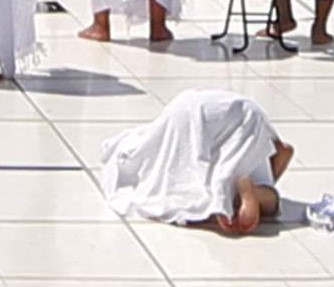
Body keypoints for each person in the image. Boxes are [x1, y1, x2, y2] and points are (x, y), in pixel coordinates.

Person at [101, 86, 294, 234]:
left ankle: (230, 196)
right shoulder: (262, 153)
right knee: (270, 200)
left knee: (188, 180)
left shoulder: (150, 139)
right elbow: (284, 151)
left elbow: (284, 150)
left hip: (199, 109)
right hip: (239, 114)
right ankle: (240, 195)